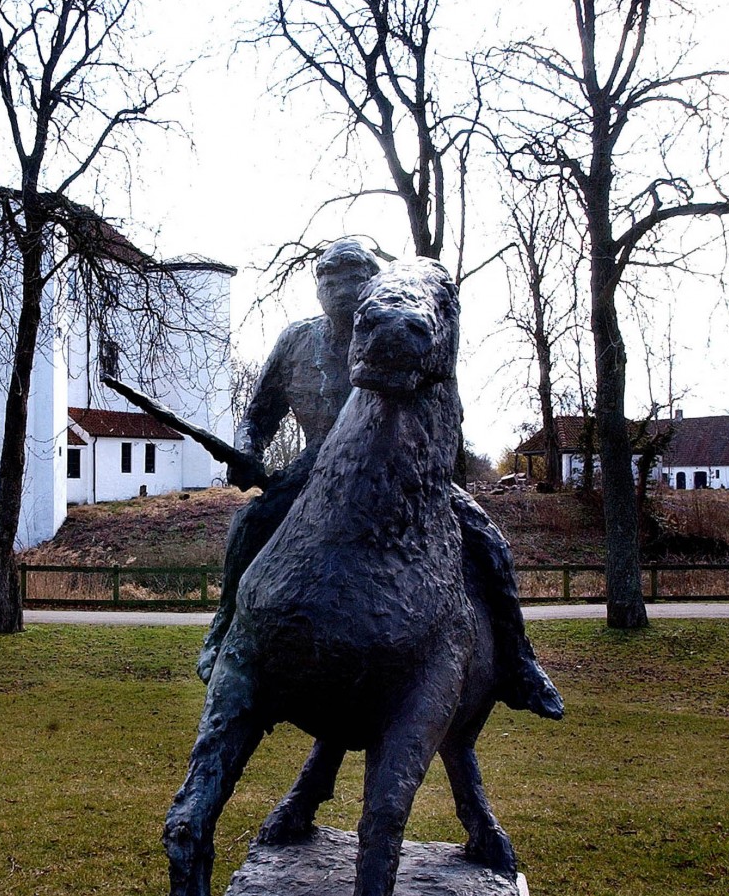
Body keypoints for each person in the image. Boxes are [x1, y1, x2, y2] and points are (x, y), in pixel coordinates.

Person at [200, 238, 562, 719]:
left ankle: (520, 661)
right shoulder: (295, 342)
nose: (340, 289)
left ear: (371, 285)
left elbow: (438, 416)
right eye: (329, 279)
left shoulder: (395, 339)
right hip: (312, 470)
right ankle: (226, 625)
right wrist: (247, 451)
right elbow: (257, 416)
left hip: (400, 476)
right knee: (248, 525)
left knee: (492, 546)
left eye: (353, 279)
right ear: (317, 287)